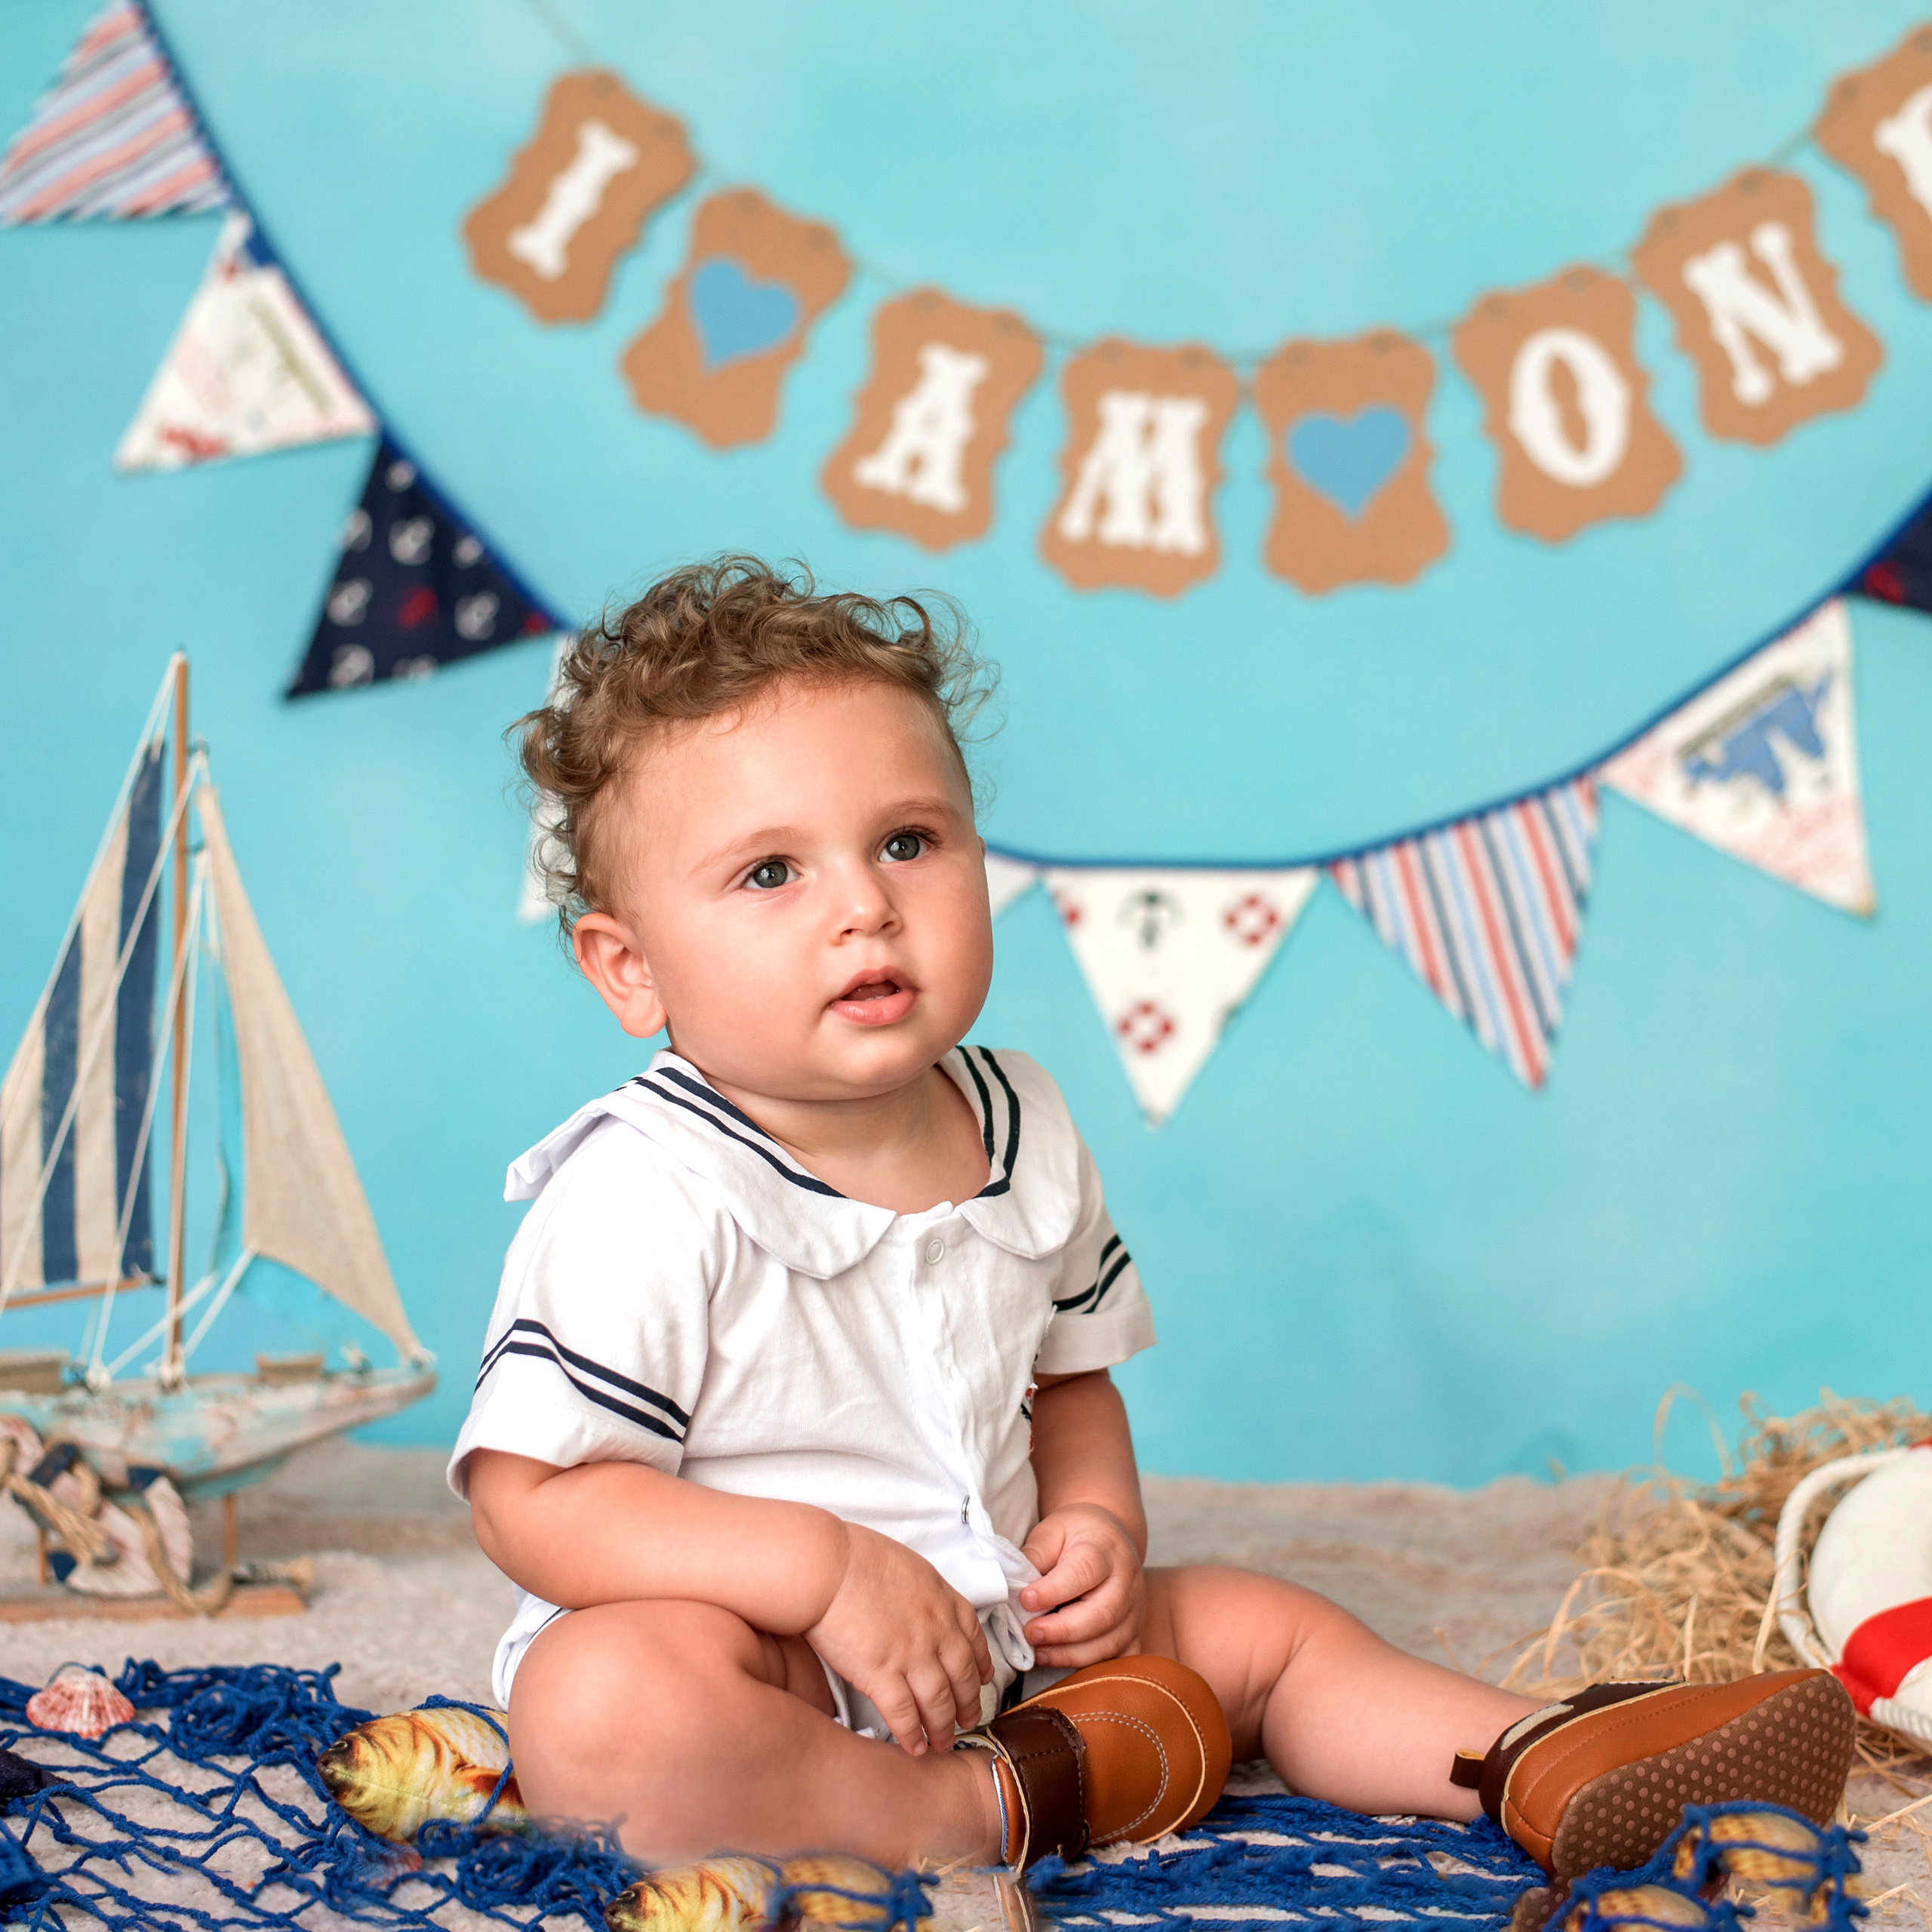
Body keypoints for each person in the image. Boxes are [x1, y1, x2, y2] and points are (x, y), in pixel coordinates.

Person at [451, 558, 1854, 1903]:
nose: (864, 905)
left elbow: (1069, 1382)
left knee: (1266, 1628)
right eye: (771, 874)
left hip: (1012, 1638)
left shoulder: (1022, 1123)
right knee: (603, 1710)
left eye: (906, 841)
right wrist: (818, 1571)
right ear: (627, 968)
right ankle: (965, 1812)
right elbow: (536, 1501)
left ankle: (1534, 1759)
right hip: (776, 1661)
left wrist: (1097, 1527)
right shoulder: (649, 1188)